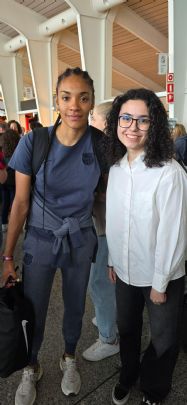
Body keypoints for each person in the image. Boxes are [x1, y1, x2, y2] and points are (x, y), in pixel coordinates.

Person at [2, 67, 108, 405]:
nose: (74, 105)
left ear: (91, 102)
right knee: (34, 308)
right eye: (66, 97)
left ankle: (68, 357)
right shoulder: (35, 142)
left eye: (83, 97)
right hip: (40, 240)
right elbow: (19, 203)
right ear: (57, 102)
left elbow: (104, 201)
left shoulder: (101, 145)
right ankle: (31, 366)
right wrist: (7, 257)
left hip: (79, 240)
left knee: (76, 306)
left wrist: (112, 249)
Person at [105, 88, 187, 405]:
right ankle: (128, 375)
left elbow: (174, 233)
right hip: (124, 270)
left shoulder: (169, 172)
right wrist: (112, 258)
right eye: (126, 118)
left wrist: (160, 281)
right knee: (127, 328)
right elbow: (115, 220)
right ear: (116, 122)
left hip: (161, 276)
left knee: (164, 339)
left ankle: (154, 388)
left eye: (143, 120)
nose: (133, 127)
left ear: (154, 126)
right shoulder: (116, 169)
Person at [83, 101, 119, 361]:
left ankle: (109, 337)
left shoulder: (108, 151)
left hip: (105, 227)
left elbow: (114, 195)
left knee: (99, 281)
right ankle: (106, 316)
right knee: (103, 282)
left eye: (93, 116)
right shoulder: (109, 148)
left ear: (105, 122)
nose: (88, 119)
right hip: (101, 225)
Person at [1, 129, 20, 232]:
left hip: (4, 181)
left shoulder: (2, 151)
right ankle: (15, 224)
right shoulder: (18, 150)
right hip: (14, 181)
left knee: (5, 202)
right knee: (14, 203)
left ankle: (4, 223)